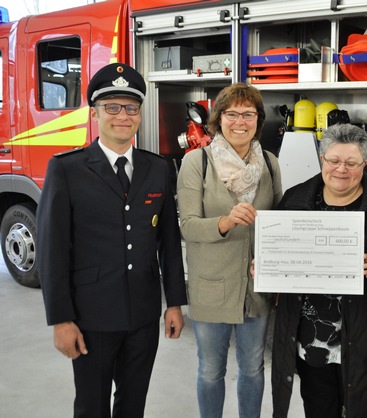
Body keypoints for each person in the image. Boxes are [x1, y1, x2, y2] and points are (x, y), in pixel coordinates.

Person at [37, 63, 188, 418]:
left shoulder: (158, 167)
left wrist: (175, 303)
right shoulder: (67, 169)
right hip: (91, 316)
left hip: (144, 314)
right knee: (91, 407)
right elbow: (52, 251)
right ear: (95, 113)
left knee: (133, 405)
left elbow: (168, 239)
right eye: (112, 107)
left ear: (139, 115)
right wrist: (60, 319)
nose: (123, 116)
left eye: (131, 108)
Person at [270, 123, 367, 418]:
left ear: (364, 164)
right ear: (321, 158)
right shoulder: (295, 200)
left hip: (364, 340)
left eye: (352, 163)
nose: (341, 169)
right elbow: (276, 249)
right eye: (334, 160)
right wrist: (265, 266)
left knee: (361, 410)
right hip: (312, 342)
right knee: (318, 408)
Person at [177, 82, 282, 418]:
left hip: (255, 288)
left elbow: (278, 225)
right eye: (232, 113)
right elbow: (187, 225)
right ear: (218, 119)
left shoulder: (269, 162)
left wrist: (275, 261)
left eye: (248, 114)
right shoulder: (197, 162)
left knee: (252, 368)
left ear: (258, 120)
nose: (240, 121)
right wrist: (223, 222)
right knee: (211, 370)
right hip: (211, 286)